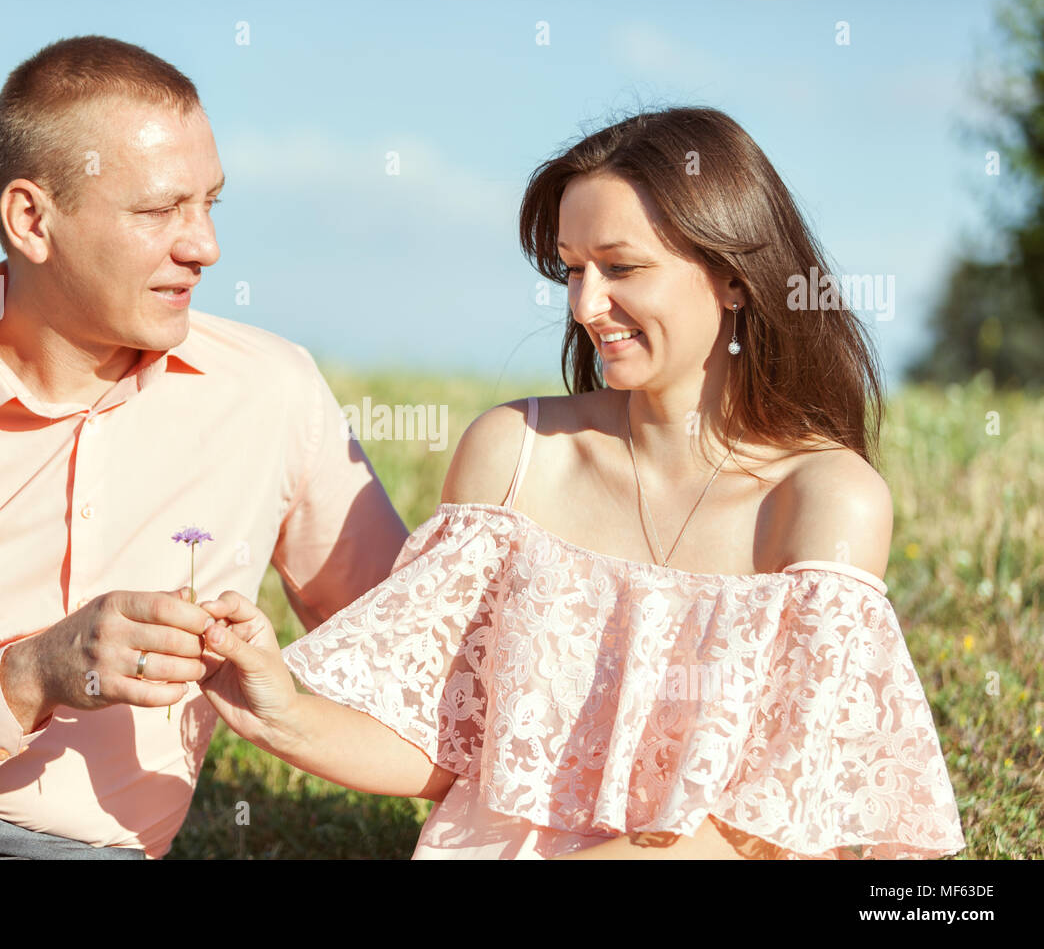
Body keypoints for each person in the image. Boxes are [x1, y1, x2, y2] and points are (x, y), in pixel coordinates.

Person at [182, 107, 967, 859]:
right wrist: (281, 708)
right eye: (572, 270)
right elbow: (452, 752)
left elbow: (768, 819)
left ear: (733, 277)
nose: (587, 305)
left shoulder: (826, 500)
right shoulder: (515, 452)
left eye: (621, 268)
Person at [0, 35, 409, 859]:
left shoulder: (272, 393)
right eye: (159, 211)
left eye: (210, 204)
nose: (204, 246)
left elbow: (422, 666)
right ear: (32, 219)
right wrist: (33, 674)